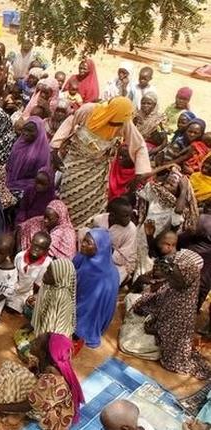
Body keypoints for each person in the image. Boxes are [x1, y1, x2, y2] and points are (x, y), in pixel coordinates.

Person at [51, 97, 149, 225]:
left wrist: (141, 170)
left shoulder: (124, 122)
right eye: (116, 122)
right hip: (75, 165)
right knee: (69, 196)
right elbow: (70, 122)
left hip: (97, 171)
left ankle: (84, 232)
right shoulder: (89, 110)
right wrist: (55, 148)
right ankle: (62, 227)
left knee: (91, 203)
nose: (118, 126)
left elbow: (139, 144)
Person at [0, 333, 85, 428]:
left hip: (45, 414)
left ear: (44, 353)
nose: (32, 342)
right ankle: (3, 404)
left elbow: (27, 406)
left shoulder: (51, 380)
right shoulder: (46, 362)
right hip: (42, 399)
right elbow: (35, 375)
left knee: (18, 378)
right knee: (10, 366)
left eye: (36, 342)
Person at [133, 249, 211, 379]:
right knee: (133, 301)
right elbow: (154, 301)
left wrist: (155, 328)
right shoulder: (172, 287)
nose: (173, 272)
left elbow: (169, 333)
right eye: (173, 268)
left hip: (167, 343)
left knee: (129, 344)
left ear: (188, 274)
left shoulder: (184, 306)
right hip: (159, 327)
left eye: (178, 271)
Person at [74, 228, 119, 348]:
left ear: (101, 247)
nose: (83, 244)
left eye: (88, 243)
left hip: (90, 315)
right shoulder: (82, 258)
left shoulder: (107, 276)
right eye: (84, 240)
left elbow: (90, 305)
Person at [86, 198, 138, 285]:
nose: (129, 219)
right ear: (113, 215)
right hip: (97, 253)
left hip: (119, 263)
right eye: (125, 216)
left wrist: (104, 247)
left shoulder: (131, 230)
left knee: (106, 282)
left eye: (130, 215)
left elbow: (122, 259)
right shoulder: (99, 220)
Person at [9, 232, 53, 313]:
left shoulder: (46, 264)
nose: (36, 249)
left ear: (47, 250)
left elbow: (38, 286)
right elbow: (13, 275)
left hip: (28, 293)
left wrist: (33, 298)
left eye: (41, 247)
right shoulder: (20, 256)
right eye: (35, 245)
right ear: (31, 242)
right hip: (14, 288)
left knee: (14, 308)